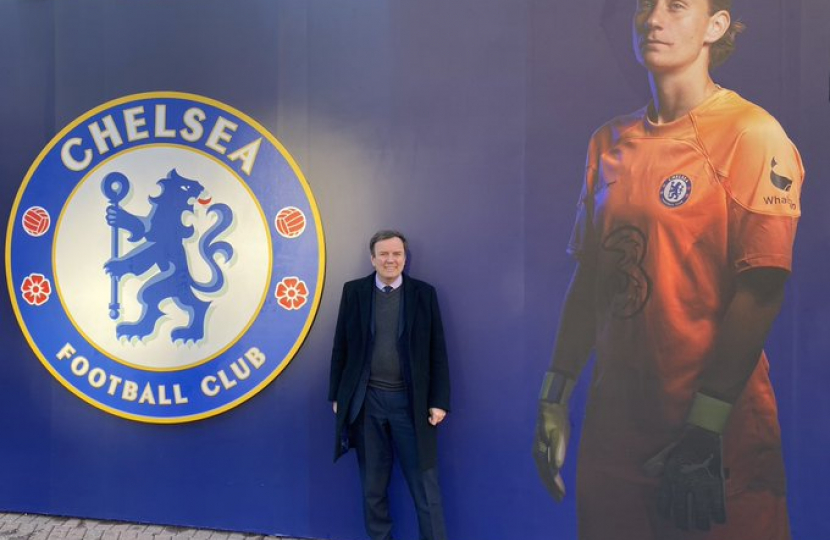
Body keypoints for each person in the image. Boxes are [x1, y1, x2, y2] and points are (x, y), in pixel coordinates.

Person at [532, 1, 804, 539]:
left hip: (709, 439)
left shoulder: (752, 134)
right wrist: (554, 394)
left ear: (716, 26)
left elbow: (763, 288)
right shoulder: (607, 142)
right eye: (644, 6)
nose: (653, 18)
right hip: (616, 433)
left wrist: (705, 429)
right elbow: (591, 279)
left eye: (676, 6)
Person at [329, 230, 450, 540]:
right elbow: (341, 346)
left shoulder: (424, 294)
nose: (390, 259)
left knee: (425, 486)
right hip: (366, 404)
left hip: (411, 406)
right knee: (372, 487)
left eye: (396, 254)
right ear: (373, 258)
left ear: (405, 259)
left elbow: (437, 350)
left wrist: (439, 400)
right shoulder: (354, 292)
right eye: (383, 254)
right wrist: (336, 394)